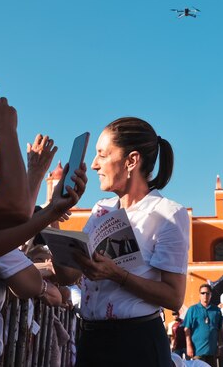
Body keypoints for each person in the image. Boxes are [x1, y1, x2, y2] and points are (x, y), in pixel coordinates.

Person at [55, 117, 189, 367]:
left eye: (103, 155)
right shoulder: (100, 210)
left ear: (131, 160)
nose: (94, 165)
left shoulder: (168, 213)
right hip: (90, 340)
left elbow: (174, 297)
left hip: (136, 345)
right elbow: (66, 275)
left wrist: (117, 275)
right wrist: (53, 214)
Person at [183, 284, 223, 366]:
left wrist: (220, 346)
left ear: (211, 295)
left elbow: (219, 330)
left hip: (212, 351)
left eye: (207, 293)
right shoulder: (192, 309)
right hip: (197, 351)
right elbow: (187, 329)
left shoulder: (217, 310)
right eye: (203, 293)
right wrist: (189, 346)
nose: (205, 295)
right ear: (199, 295)